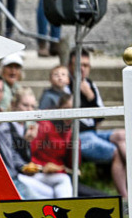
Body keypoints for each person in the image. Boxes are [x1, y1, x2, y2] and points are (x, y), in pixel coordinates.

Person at [68, 48, 127, 197]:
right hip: (78, 136)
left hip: (93, 132)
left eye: (86, 65)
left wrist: (90, 96)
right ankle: (125, 196)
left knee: (123, 135)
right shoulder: (65, 84)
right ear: (70, 66)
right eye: (78, 65)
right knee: (115, 152)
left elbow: (101, 116)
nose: (82, 69)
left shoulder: (90, 85)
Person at [0, 86, 53, 199]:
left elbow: (27, 160)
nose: (29, 110)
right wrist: (25, 143)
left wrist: (27, 141)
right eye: (25, 105)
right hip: (10, 178)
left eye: (32, 106)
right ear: (14, 104)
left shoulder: (26, 126)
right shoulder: (4, 128)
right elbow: (10, 160)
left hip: (23, 175)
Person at [26, 92, 75, 198]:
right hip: (38, 173)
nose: (70, 113)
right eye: (66, 108)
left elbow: (72, 164)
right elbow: (29, 154)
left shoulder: (70, 130)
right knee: (64, 181)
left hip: (57, 175)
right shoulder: (46, 125)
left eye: (73, 109)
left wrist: (75, 140)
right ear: (59, 109)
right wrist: (42, 167)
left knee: (63, 184)